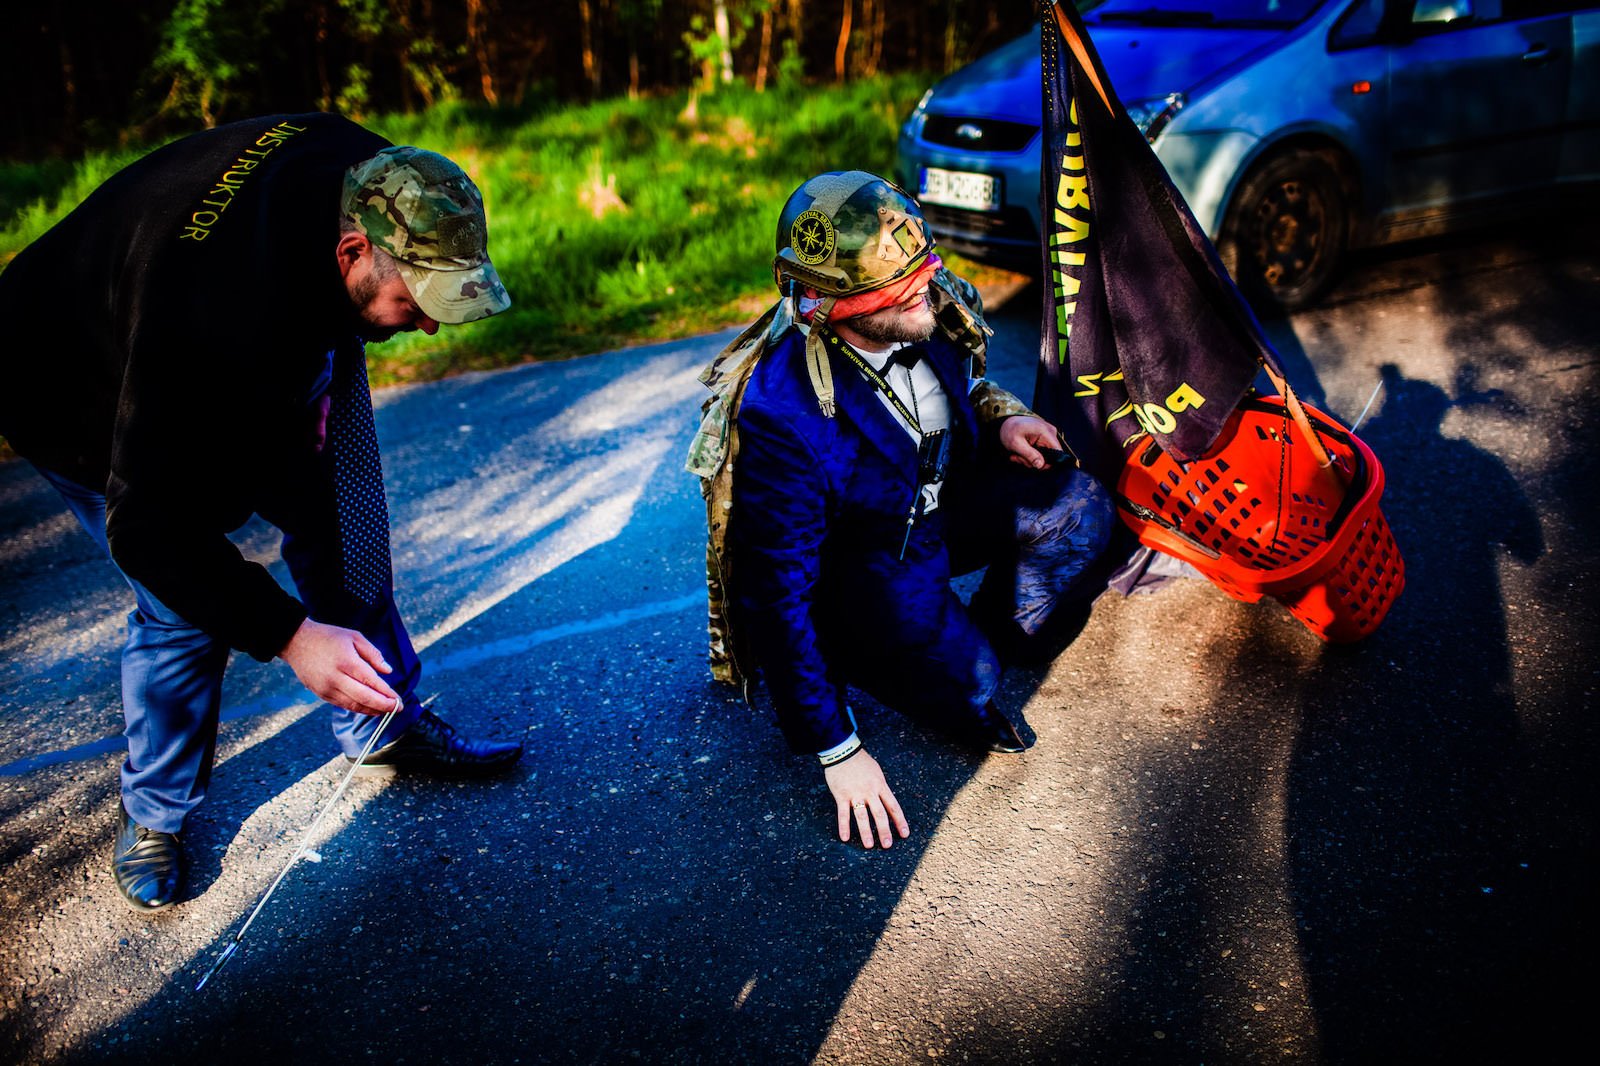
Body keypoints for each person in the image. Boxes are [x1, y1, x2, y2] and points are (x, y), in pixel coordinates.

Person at [0, 113, 524, 912]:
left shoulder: (373, 170)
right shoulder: (206, 317)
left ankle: (382, 725)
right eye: (415, 303)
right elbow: (150, 529)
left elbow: (319, 296)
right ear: (352, 253)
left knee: (341, 521)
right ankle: (156, 814)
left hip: (234, 344)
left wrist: (319, 367)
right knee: (185, 603)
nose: (426, 326)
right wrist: (291, 636)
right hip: (70, 382)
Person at [692, 171, 1114, 850]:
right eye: (896, 284)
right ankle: (896, 653)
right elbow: (776, 595)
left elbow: (965, 383)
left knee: (1082, 508)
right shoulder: (782, 412)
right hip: (868, 563)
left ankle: (971, 639)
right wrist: (837, 748)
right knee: (973, 682)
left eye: (924, 265)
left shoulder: (927, 304)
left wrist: (1002, 419)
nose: (924, 286)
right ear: (828, 306)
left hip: (939, 503)